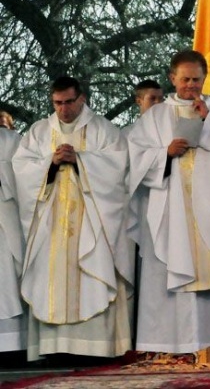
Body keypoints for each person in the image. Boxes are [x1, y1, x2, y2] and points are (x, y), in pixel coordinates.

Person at [127, 50, 210, 353]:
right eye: (185, 80)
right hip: (172, 207)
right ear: (172, 79)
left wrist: (209, 121)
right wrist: (164, 154)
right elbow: (135, 157)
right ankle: (169, 344)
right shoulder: (156, 116)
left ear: (204, 78)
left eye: (196, 79)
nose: (191, 86)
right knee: (171, 262)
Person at [14, 76, 132, 360]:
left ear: (82, 99)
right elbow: (21, 169)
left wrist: (81, 160)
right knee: (50, 277)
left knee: (92, 273)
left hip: (92, 221)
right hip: (51, 224)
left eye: (68, 102)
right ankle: (54, 347)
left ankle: (95, 348)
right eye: (57, 103)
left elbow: (119, 169)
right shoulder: (39, 132)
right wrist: (49, 164)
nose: (63, 109)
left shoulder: (104, 130)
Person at [0, 117, 24, 352]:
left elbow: (27, 176)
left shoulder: (12, 140)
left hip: (5, 214)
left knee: (7, 276)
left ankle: (12, 345)